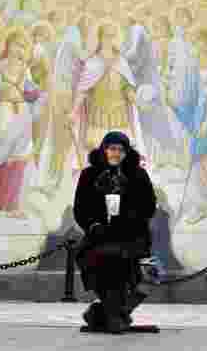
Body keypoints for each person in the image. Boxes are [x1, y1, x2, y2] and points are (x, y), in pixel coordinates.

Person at [73, 131, 156, 334]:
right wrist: (93, 225)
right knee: (103, 261)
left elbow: (149, 206)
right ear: (104, 149)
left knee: (152, 274)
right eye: (112, 148)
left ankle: (106, 313)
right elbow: (80, 209)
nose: (115, 153)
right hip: (99, 236)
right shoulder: (89, 175)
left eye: (120, 149)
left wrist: (129, 220)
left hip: (131, 236)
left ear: (126, 152)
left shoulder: (138, 174)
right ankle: (115, 316)